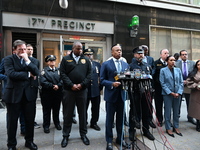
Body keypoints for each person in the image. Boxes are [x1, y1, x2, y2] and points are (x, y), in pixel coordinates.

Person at [3, 40, 38, 150]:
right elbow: (11, 74)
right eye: (20, 49)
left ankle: (29, 142)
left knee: (29, 120)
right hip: (14, 95)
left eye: (24, 49)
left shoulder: (33, 60)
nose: (23, 51)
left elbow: (36, 72)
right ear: (14, 50)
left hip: (29, 95)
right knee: (12, 122)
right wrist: (28, 74)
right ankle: (11, 145)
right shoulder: (8, 59)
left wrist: (27, 60)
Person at [60, 41, 91, 148]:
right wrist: (71, 85)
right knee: (68, 114)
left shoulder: (86, 60)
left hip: (82, 91)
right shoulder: (65, 59)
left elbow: (89, 74)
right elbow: (62, 74)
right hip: (69, 91)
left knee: (82, 114)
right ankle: (65, 135)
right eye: (78, 48)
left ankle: (83, 134)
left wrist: (82, 85)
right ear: (73, 48)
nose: (80, 50)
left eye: (81, 48)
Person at [100, 44, 129, 150]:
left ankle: (120, 139)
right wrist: (112, 84)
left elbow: (127, 77)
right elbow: (102, 80)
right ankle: (109, 141)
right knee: (109, 120)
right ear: (112, 52)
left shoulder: (125, 64)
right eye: (117, 51)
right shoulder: (106, 64)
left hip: (122, 96)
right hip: (111, 96)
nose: (119, 52)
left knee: (121, 120)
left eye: (120, 50)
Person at [129, 46, 155, 141]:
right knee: (134, 112)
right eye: (139, 53)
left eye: (142, 53)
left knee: (146, 111)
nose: (141, 55)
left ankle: (146, 130)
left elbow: (150, 76)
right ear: (135, 55)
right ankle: (132, 131)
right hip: (135, 92)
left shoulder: (147, 65)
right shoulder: (131, 65)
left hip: (146, 92)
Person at [160, 55, 183, 137]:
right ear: (167, 61)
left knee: (176, 112)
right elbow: (162, 83)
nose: (173, 61)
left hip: (177, 94)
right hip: (167, 94)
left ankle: (176, 127)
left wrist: (179, 92)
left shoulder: (178, 70)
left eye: (174, 60)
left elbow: (181, 82)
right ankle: (168, 128)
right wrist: (170, 92)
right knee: (168, 111)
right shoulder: (163, 70)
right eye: (171, 60)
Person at [19, 44, 40, 137]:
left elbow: (36, 72)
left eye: (31, 49)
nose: (30, 51)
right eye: (28, 49)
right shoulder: (21, 60)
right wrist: (28, 74)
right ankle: (23, 128)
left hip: (33, 87)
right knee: (22, 110)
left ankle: (32, 122)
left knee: (32, 108)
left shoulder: (36, 61)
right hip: (22, 87)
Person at [40, 55, 63, 133]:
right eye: (50, 61)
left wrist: (58, 85)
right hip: (47, 94)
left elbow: (62, 80)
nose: (52, 62)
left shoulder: (59, 70)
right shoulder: (44, 71)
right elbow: (43, 82)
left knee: (56, 110)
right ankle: (46, 126)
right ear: (47, 62)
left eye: (53, 60)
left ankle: (57, 123)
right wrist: (53, 86)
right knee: (47, 111)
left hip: (57, 94)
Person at [83, 48, 102, 131]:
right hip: (85, 91)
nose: (89, 56)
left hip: (95, 90)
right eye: (87, 54)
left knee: (95, 108)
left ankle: (94, 123)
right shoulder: (81, 65)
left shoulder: (97, 64)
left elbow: (101, 77)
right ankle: (84, 123)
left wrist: (99, 88)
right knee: (84, 109)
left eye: (90, 54)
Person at [175, 50, 196, 125]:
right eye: (183, 54)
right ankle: (176, 117)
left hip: (188, 85)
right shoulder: (176, 63)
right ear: (180, 56)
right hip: (179, 85)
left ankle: (190, 117)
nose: (184, 56)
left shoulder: (192, 63)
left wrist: (188, 81)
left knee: (189, 102)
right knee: (178, 102)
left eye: (186, 54)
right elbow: (175, 74)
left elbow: (194, 73)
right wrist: (181, 81)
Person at [141, 45, 156, 129]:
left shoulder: (150, 59)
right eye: (144, 50)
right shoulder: (135, 59)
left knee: (149, 103)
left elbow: (153, 68)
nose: (145, 51)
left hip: (149, 84)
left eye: (146, 50)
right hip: (140, 85)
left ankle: (149, 120)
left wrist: (150, 75)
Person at [153, 49, 169, 127]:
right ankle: (159, 119)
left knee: (167, 105)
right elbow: (154, 75)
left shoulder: (169, 63)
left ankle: (167, 119)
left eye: (168, 53)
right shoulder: (156, 63)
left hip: (168, 88)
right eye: (165, 53)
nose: (167, 55)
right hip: (158, 87)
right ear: (161, 55)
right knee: (159, 104)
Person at [186, 60, 200, 132]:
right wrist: (196, 85)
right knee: (197, 110)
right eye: (198, 65)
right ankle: (198, 124)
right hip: (196, 93)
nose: (199, 66)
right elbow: (188, 83)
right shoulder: (193, 73)